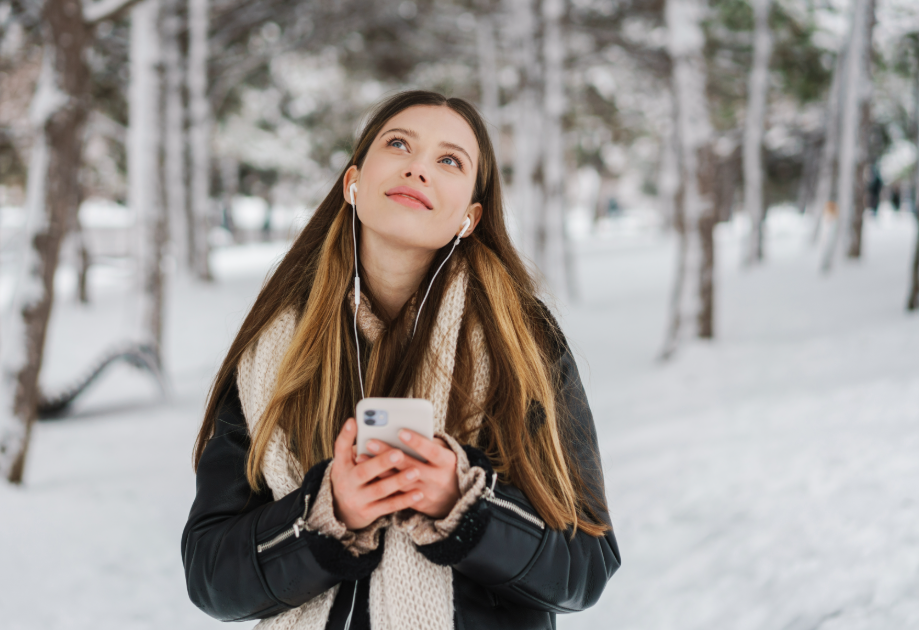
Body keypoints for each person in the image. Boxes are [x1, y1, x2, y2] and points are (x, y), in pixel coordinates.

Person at [182, 90, 620, 630]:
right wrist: (326, 517)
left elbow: (586, 564)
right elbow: (210, 577)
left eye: (449, 160)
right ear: (353, 182)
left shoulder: (522, 344)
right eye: (398, 144)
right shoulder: (273, 353)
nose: (418, 169)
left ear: (470, 216)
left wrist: (466, 510)